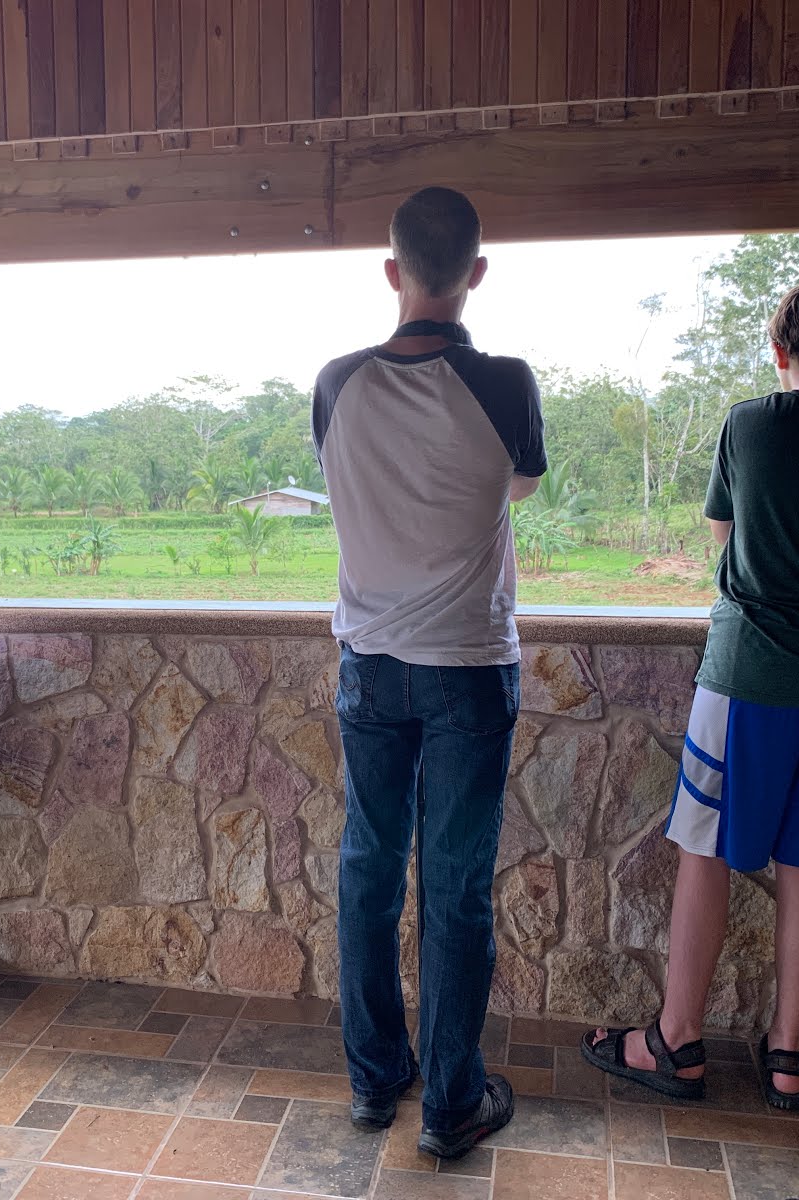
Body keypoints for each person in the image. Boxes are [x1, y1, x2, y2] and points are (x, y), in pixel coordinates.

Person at [581, 280, 799, 1111]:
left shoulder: (749, 423)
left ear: (779, 351)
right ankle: (787, 1055)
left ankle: (677, 1041)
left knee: (704, 850)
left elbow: (723, 532)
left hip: (747, 677)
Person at [314, 187, 546, 1159]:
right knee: (454, 888)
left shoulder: (336, 383)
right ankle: (451, 1105)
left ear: (391, 270)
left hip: (369, 665)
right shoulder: (506, 383)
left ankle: (375, 1082)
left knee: (368, 867)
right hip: (466, 664)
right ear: (476, 273)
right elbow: (516, 485)